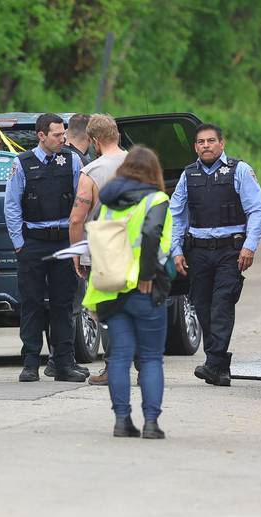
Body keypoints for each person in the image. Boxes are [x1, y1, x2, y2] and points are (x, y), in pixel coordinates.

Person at [82, 146, 173, 439]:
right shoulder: (156, 199)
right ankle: (150, 423)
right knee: (150, 358)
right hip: (144, 289)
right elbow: (150, 234)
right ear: (153, 171)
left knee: (119, 357)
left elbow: (95, 242)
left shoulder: (107, 202)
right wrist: (146, 274)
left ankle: (122, 420)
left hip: (111, 288)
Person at [170, 123, 261, 387]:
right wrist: (176, 250)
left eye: (211, 141)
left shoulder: (239, 170)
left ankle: (213, 362)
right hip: (197, 251)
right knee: (201, 305)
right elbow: (176, 214)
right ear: (195, 147)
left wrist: (250, 246)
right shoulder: (188, 175)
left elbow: (256, 210)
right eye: (201, 142)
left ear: (221, 144)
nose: (206, 146)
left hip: (230, 251)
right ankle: (220, 368)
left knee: (222, 303)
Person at [4, 113, 87, 383]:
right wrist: (20, 244)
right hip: (34, 243)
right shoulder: (22, 163)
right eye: (56, 135)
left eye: (63, 134)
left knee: (63, 304)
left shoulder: (72, 160)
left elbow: (80, 201)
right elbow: (12, 205)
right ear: (41, 136)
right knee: (31, 304)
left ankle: (63, 363)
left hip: (63, 242)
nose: (62, 139)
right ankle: (30, 363)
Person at [67, 114, 127, 385]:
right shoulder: (140, 165)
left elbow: (78, 218)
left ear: (93, 140)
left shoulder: (91, 172)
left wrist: (77, 253)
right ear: (117, 134)